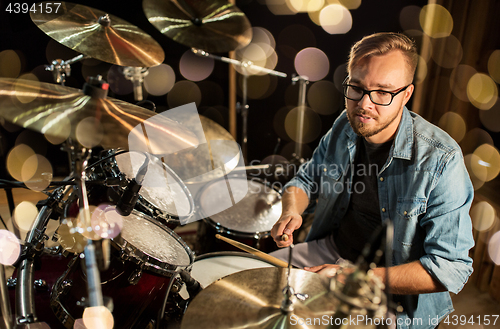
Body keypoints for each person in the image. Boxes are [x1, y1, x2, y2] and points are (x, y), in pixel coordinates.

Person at [270, 32, 474, 329]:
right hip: (332, 251)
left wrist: (355, 277)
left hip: (392, 292)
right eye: (357, 88)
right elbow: (307, 180)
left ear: (406, 95)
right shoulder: (345, 124)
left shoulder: (442, 160)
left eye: (382, 92)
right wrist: (291, 210)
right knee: (256, 284)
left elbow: (450, 269)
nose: (364, 104)